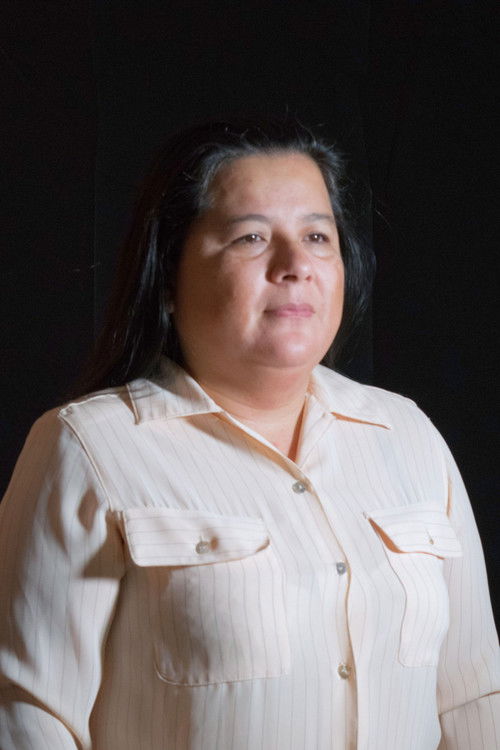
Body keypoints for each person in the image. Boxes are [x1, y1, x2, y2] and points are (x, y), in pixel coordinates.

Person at [0, 117, 498, 750]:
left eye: (317, 236)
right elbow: (24, 711)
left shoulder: (408, 436)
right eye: (251, 237)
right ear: (168, 276)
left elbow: (473, 694)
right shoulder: (88, 448)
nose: (295, 265)